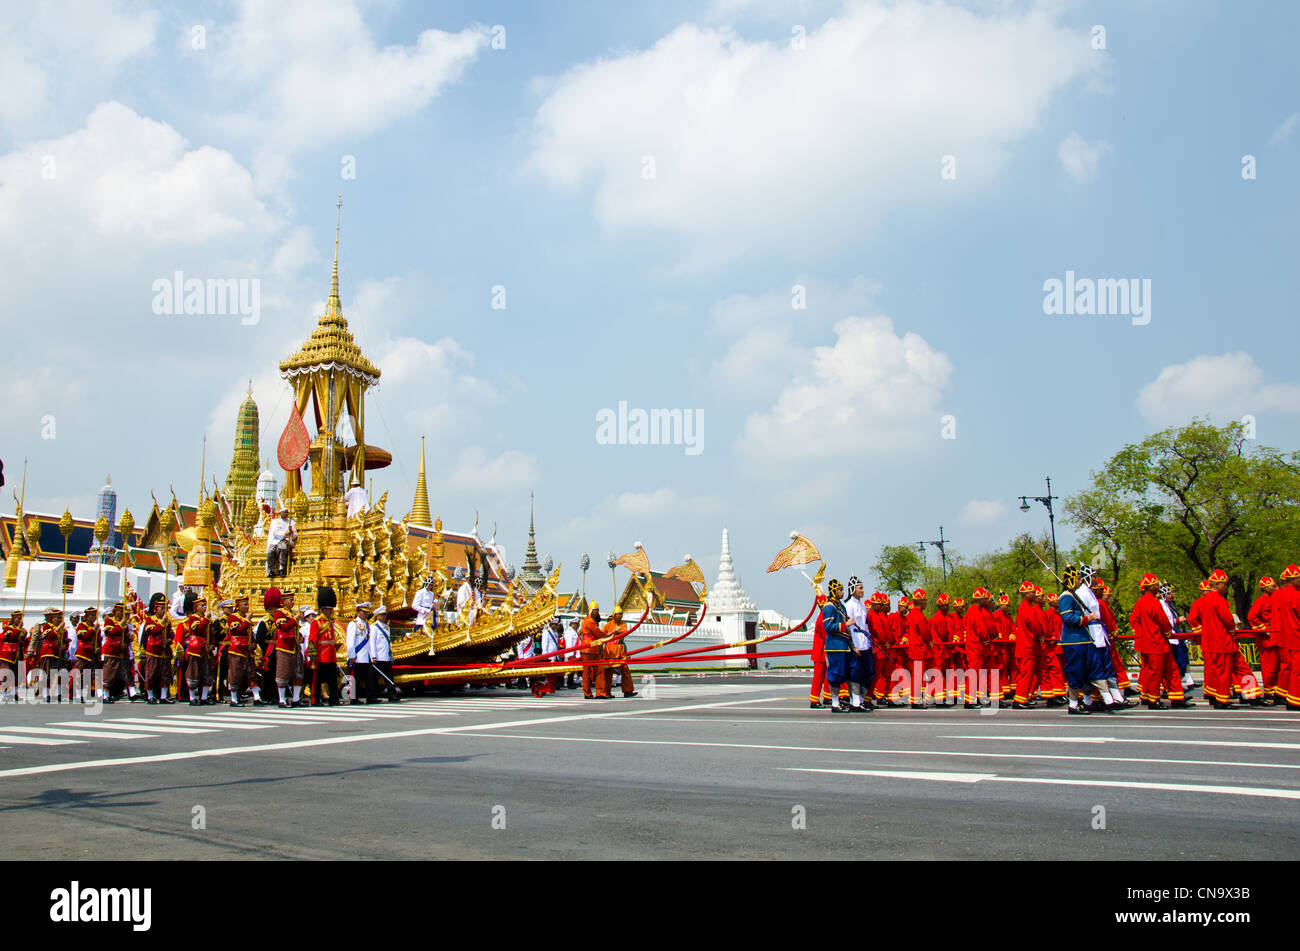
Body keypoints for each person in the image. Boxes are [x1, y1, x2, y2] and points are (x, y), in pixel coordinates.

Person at [1189, 569, 1261, 708]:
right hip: (1223, 642)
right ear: (1216, 584)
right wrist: (1233, 630)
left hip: (1211, 642)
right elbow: (1228, 620)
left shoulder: (1203, 601)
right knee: (1232, 671)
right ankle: (1226, 699)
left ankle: (1221, 696)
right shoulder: (1218, 600)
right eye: (1224, 584)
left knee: (1222, 671)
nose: (1225, 587)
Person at [1130, 573, 1193, 709]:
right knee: (1160, 672)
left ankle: (1152, 696)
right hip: (1157, 643)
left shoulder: (1140, 602)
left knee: (1158, 671)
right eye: (1156, 585)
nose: (1158, 587)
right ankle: (1154, 700)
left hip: (1146, 643)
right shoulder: (1153, 602)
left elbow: (1133, 621)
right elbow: (1163, 621)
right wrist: (1169, 633)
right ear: (1150, 587)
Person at [1248, 576, 1287, 705]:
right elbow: (1252, 616)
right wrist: (1265, 629)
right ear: (1264, 588)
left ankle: (1278, 691)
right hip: (1267, 640)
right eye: (1272, 585)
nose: (1274, 587)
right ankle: (1269, 692)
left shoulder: (1275, 599)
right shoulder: (1261, 601)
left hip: (1277, 638)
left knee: (1278, 667)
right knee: (1269, 668)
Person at [1012, 582, 1046, 709]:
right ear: (1026, 594)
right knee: (1025, 674)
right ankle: (1019, 699)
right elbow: (1035, 625)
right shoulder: (1027, 609)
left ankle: (1024, 697)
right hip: (1027, 646)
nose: (1034, 595)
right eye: (1032, 593)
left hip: (1027, 646)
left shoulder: (1024, 607)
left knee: (1028, 673)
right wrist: (1041, 635)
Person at [821, 580, 853, 713]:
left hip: (844, 645)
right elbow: (828, 627)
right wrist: (846, 625)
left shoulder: (841, 606)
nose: (842, 592)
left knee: (844, 675)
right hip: (834, 646)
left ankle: (840, 701)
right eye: (840, 590)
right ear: (834, 591)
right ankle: (835, 704)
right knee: (835, 675)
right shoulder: (829, 607)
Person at [843, 576, 873, 712]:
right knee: (855, 675)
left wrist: (870, 642)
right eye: (860, 588)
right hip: (856, 644)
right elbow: (848, 628)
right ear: (853, 590)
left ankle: (861, 699)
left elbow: (865, 625)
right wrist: (853, 646)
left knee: (868, 673)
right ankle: (855, 702)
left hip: (865, 644)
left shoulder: (862, 605)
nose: (862, 590)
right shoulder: (848, 606)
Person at [308, 586, 341, 706]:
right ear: (323, 609)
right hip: (321, 655)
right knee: (317, 679)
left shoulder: (330, 622)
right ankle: (315, 699)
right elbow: (312, 639)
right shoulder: (317, 622)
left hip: (330, 654)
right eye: (329, 609)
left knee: (332, 678)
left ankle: (334, 699)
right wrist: (312, 655)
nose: (331, 611)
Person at [963, 588, 996, 708]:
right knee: (974, 674)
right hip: (976, 647)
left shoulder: (973, 611)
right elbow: (981, 629)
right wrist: (986, 638)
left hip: (975, 647)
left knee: (976, 674)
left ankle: (973, 698)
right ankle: (969, 700)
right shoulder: (976, 612)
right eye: (986, 599)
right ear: (981, 600)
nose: (987, 602)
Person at [1274, 565, 1300, 710]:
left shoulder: (1278, 594)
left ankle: (1282, 693)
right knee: (1297, 671)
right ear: (1293, 579)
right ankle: (1295, 700)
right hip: (1295, 636)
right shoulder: (1296, 595)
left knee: (1286, 668)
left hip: (1281, 636)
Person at [138, 593, 172, 704]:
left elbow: (170, 634)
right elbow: (151, 632)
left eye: (164, 608)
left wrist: (169, 640)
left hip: (164, 652)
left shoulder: (167, 620)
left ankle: (163, 696)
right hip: (153, 651)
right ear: (155, 608)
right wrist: (161, 624)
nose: (163, 611)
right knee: (151, 675)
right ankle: (150, 695)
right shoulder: (150, 620)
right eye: (161, 608)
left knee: (165, 675)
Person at [29, 607, 68, 702]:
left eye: (60, 617)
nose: (59, 619)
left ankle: (58, 693)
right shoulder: (43, 626)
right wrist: (31, 650)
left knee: (59, 674)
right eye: (57, 617)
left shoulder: (62, 629)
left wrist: (64, 646)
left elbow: (65, 640)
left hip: (58, 653)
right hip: (45, 652)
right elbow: (36, 638)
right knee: (45, 673)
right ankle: (43, 693)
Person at [222, 596, 254, 707]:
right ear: (238, 606)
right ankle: (234, 698)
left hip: (246, 650)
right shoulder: (233, 617)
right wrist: (246, 621)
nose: (247, 606)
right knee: (235, 674)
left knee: (250, 673)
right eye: (244, 604)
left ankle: (245, 695)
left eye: (247, 604)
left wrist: (253, 644)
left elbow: (250, 634)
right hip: (236, 650)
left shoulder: (246, 618)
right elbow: (238, 631)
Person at [600, 608, 637, 699]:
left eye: (621, 614)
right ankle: (606, 692)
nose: (620, 616)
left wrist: (617, 632)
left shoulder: (623, 624)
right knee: (608, 672)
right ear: (614, 615)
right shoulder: (608, 625)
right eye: (618, 614)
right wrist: (610, 634)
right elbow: (602, 635)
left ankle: (628, 691)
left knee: (625, 670)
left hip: (620, 651)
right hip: (610, 651)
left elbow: (624, 633)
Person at [71, 606, 101, 704]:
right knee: (80, 676)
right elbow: (83, 637)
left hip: (92, 655)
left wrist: (98, 648)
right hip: (83, 654)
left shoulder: (95, 627)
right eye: (91, 616)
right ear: (86, 616)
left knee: (94, 675)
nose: (93, 618)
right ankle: (78, 695)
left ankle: (99, 694)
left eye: (94, 616)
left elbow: (98, 640)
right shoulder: (82, 626)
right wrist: (93, 630)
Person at [347, 602, 375, 704]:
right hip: (357, 656)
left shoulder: (367, 625)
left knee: (369, 678)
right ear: (358, 613)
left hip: (366, 656)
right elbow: (350, 641)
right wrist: (351, 655)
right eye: (364, 612)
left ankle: (370, 697)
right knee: (355, 678)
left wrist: (372, 656)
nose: (366, 615)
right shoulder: (353, 624)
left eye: (367, 613)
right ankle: (353, 698)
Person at [808, 592, 833, 708]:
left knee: (828, 675)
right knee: (818, 677)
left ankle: (827, 696)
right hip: (820, 653)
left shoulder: (822, 617)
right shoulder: (822, 619)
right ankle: (814, 699)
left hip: (823, 652)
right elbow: (826, 635)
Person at [370, 604, 399, 702]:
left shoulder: (387, 627)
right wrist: (373, 656)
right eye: (382, 615)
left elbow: (388, 643)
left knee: (389, 677)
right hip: (378, 656)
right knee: (374, 678)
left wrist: (391, 655)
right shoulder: (373, 627)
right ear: (377, 616)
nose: (384, 617)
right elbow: (372, 642)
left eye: (385, 615)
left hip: (386, 656)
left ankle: (392, 695)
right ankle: (373, 696)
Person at [0, 610, 28, 702]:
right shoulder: (8, 629)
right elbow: (10, 637)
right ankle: (5, 693)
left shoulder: (22, 631)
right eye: (18, 618)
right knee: (7, 675)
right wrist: (18, 629)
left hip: (18, 655)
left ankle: (14, 693)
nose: (19, 620)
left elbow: (24, 642)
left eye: (21, 619)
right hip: (8, 655)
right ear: (13, 619)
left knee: (17, 675)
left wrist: (23, 641)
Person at [579, 603, 604, 699]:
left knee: (600, 670)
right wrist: (607, 635)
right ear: (591, 611)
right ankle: (587, 693)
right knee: (587, 672)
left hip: (595, 648)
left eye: (598, 610)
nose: (597, 612)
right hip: (588, 649)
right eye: (595, 610)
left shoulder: (592, 621)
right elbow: (597, 632)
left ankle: (600, 692)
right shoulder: (589, 621)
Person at [266, 504, 297, 578]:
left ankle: (281, 569)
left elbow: (295, 535)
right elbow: (274, 532)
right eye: (285, 512)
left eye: (287, 512)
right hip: (275, 540)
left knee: (283, 548)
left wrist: (291, 532)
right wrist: (285, 533)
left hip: (285, 540)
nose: (286, 514)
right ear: (281, 513)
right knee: (271, 551)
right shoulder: (275, 522)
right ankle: (271, 570)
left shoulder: (291, 522)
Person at [563, 619, 581, 690]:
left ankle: (572, 682)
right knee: (571, 669)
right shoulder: (569, 632)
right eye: (576, 624)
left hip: (575, 653)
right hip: (572, 653)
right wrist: (570, 654)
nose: (577, 626)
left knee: (573, 669)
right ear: (572, 624)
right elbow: (569, 644)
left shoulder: (574, 632)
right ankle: (569, 683)